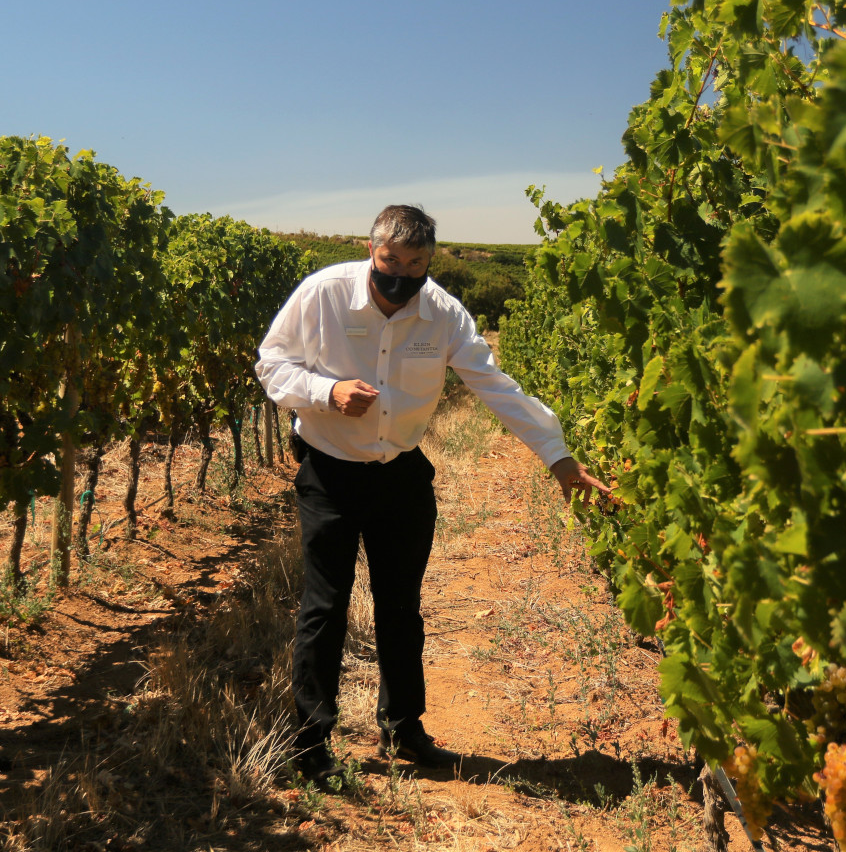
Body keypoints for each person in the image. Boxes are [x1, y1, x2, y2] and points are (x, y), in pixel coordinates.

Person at [254, 204, 608, 787]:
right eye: (390, 260)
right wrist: (325, 389)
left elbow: (495, 385)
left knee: (401, 608)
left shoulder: (442, 313)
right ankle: (311, 745)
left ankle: (404, 729)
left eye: (416, 263)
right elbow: (272, 364)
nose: (401, 273)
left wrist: (558, 457)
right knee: (325, 608)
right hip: (330, 473)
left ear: (430, 261)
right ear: (371, 249)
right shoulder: (323, 294)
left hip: (401, 476)